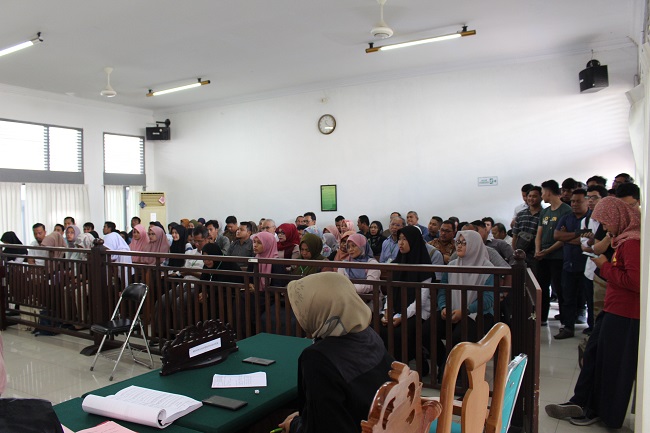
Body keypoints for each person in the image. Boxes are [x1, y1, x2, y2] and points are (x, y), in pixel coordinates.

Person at [545, 197, 640, 428]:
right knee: (593, 355)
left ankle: (603, 413)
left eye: (606, 222)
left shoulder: (632, 244)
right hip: (613, 308)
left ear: (618, 217)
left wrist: (604, 266)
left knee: (612, 365)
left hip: (625, 314)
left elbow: (635, 282)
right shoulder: (622, 240)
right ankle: (581, 403)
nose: (604, 228)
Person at [278, 272, 394, 433]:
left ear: (317, 308)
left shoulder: (317, 358)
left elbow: (324, 428)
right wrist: (310, 413)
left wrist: (294, 425)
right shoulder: (368, 335)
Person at [434, 230, 494, 378]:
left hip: (478, 314)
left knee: (458, 336)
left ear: (474, 245)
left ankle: (455, 375)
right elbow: (443, 290)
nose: (459, 246)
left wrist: (465, 310)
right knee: (426, 330)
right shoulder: (452, 265)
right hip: (453, 310)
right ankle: (444, 364)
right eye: (458, 242)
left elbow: (488, 299)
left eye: (464, 243)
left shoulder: (488, 268)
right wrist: (444, 307)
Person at [380, 225, 433, 371]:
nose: (401, 243)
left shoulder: (424, 266)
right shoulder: (397, 263)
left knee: (399, 331)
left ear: (414, 241)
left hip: (417, 311)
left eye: (405, 239)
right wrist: (387, 311)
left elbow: (421, 300)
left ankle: (402, 369)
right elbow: (390, 291)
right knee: (380, 327)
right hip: (396, 310)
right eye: (399, 239)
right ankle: (386, 367)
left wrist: (402, 316)